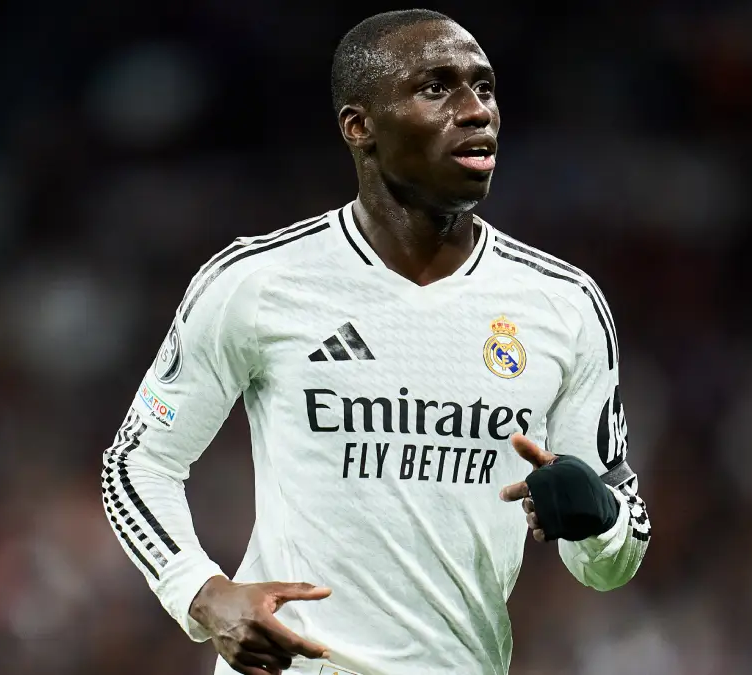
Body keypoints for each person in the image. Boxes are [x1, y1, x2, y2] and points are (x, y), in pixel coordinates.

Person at [100, 9, 651, 675]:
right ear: (359, 127)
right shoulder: (258, 282)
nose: (477, 110)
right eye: (436, 88)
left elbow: (612, 556)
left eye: (484, 87)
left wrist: (596, 518)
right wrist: (203, 592)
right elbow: (137, 462)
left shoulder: (563, 305)